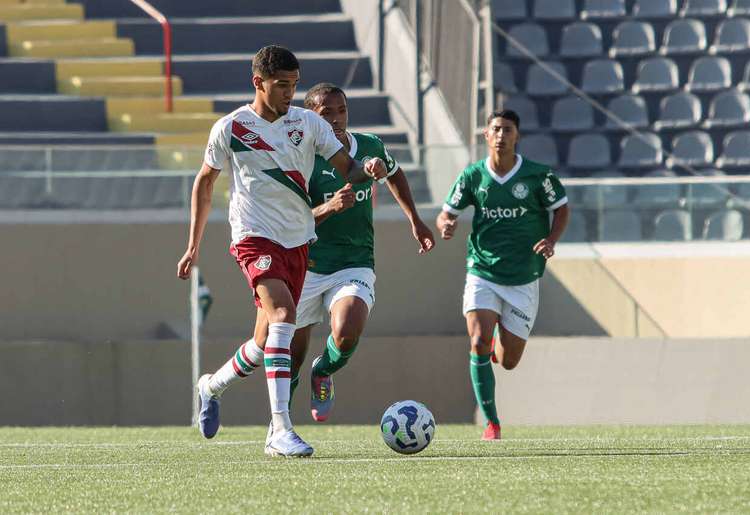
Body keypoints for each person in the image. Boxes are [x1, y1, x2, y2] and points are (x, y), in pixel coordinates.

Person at [176, 45, 387, 458]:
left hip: (298, 239)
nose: (290, 92)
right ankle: (279, 430)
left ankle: (211, 386)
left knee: (262, 343)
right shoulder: (231, 128)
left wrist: (370, 170)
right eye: (282, 85)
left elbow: (349, 168)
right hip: (254, 238)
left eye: (294, 84)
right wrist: (192, 246)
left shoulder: (308, 124)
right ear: (258, 83)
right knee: (284, 317)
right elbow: (204, 184)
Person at [190, 82, 436, 435]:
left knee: (347, 329)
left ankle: (316, 382)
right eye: (326, 113)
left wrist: (414, 218)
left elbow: (393, 173)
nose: (336, 120)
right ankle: (213, 387)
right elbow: (292, 215)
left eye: (341, 111)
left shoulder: (368, 148)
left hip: (353, 261)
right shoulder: (303, 153)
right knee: (272, 350)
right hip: (303, 261)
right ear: (312, 117)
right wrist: (330, 207)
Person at [435, 109, 570, 441]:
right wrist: (447, 225)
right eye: (495, 129)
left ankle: (497, 342)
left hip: (523, 276)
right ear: (486, 135)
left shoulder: (539, 177)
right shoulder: (472, 177)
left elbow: (562, 208)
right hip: (482, 270)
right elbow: (444, 214)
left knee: (509, 361)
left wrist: (551, 240)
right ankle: (492, 423)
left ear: (517, 135)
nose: (501, 135)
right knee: (478, 341)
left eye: (507, 130)